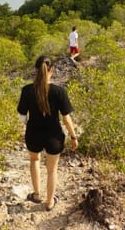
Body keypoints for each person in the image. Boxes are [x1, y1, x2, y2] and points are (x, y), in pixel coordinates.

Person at [17, 55, 78, 211]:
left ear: (36, 70)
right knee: (52, 170)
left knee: (34, 161)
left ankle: (37, 195)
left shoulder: (27, 90)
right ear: (52, 70)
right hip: (54, 136)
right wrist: (73, 136)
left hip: (33, 134)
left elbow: (22, 116)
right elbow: (66, 119)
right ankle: (50, 202)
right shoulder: (59, 92)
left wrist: (29, 124)